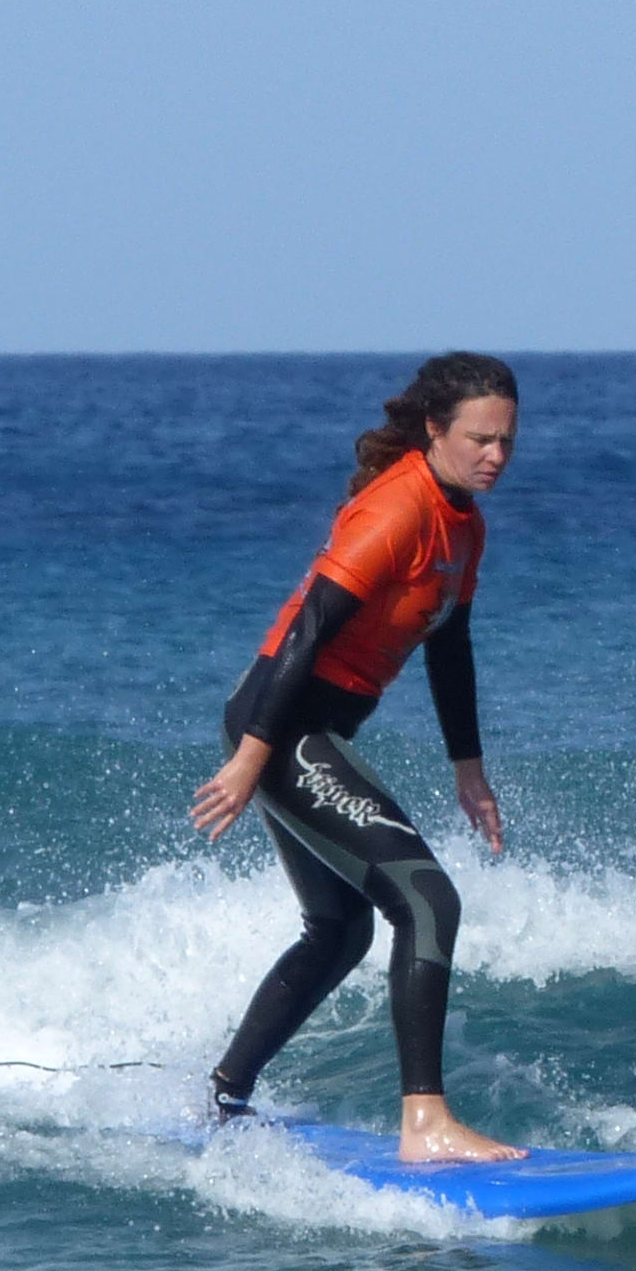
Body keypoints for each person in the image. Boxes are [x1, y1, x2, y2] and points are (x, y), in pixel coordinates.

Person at [189, 352, 526, 1163]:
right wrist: (250, 762)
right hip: (284, 723)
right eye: (480, 439)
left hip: (307, 733)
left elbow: (451, 647)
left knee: (339, 932)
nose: (496, 457)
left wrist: (468, 770)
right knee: (427, 900)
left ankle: (225, 1098)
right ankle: (425, 1124)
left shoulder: (464, 524)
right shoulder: (398, 510)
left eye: (508, 442)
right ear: (435, 430)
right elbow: (306, 631)